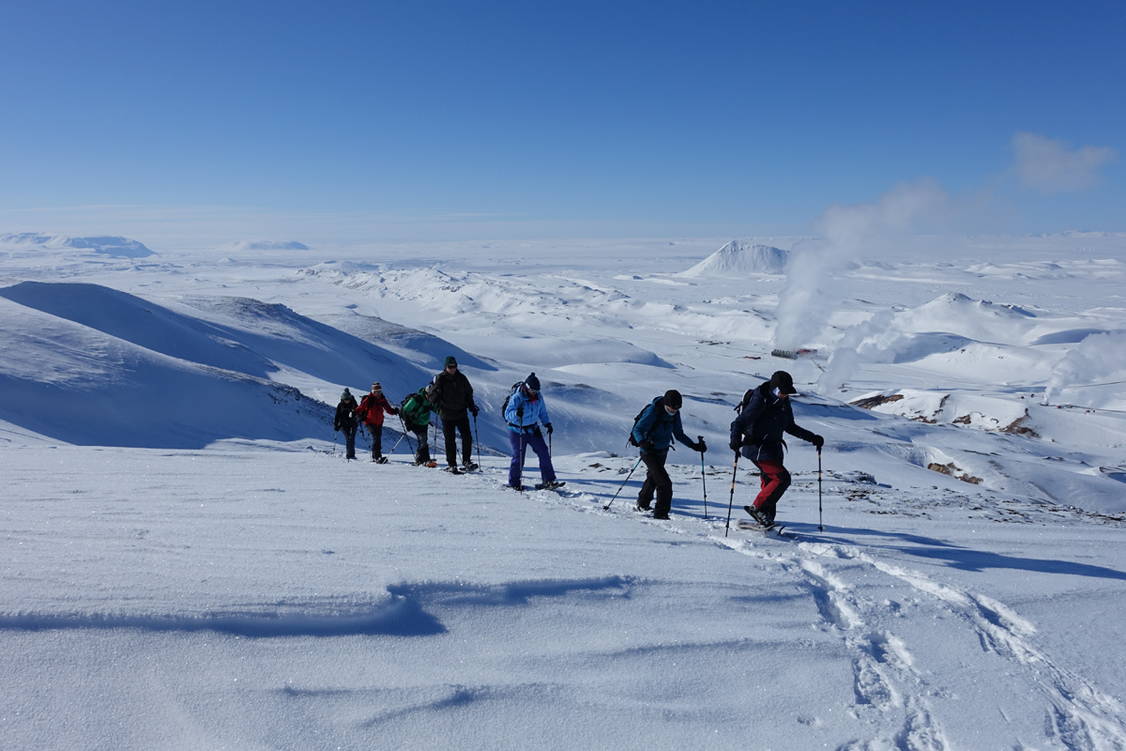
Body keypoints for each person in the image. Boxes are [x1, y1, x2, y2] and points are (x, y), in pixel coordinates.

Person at [729, 370, 824, 528]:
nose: (785, 395)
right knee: (781, 478)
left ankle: (766, 519)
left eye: (787, 392)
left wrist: (812, 437)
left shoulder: (783, 402)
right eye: (782, 392)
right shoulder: (760, 400)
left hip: (773, 448)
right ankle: (757, 509)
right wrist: (735, 440)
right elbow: (738, 423)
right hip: (757, 448)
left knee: (769, 483)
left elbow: (790, 426)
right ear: (774, 389)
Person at [631, 389, 706, 520]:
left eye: (676, 409)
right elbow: (638, 429)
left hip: (662, 450)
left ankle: (642, 503)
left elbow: (679, 434)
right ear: (666, 403)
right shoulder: (653, 411)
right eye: (671, 408)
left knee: (654, 478)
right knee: (665, 483)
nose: (673, 411)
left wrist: (694, 446)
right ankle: (661, 514)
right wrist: (642, 442)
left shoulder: (675, 414)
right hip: (649, 451)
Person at [503, 372, 561, 490]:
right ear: (527, 387)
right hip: (516, 429)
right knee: (519, 456)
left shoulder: (539, 397)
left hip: (533, 429)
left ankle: (548, 481)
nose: (535, 392)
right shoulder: (517, 397)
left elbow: (542, 412)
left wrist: (547, 423)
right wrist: (516, 414)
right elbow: (507, 414)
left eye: (537, 390)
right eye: (533, 390)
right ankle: (514, 483)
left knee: (544, 452)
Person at [429, 355, 479, 471]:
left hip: (461, 413)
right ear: (445, 367)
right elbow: (431, 397)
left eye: (454, 366)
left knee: (467, 437)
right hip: (446, 414)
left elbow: (468, 394)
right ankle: (452, 464)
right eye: (450, 367)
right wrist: (436, 395)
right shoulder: (440, 379)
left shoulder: (462, 378)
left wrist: (472, 407)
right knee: (450, 440)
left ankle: (467, 461)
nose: (452, 369)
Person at [356, 382, 398, 463]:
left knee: (377, 439)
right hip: (369, 422)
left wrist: (394, 411)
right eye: (377, 391)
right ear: (373, 391)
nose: (378, 393)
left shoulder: (382, 399)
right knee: (376, 438)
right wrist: (354, 412)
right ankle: (377, 457)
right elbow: (361, 408)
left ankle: (375, 456)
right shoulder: (369, 399)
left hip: (379, 422)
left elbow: (388, 409)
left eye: (380, 391)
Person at [400, 385, 436, 466]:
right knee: (422, 440)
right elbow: (405, 410)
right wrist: (408, 423)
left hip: (424, 423)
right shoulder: (416, 399)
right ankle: (424, 460)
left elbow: (435, 409)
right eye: (430, 395)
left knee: (423, 440)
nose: (431, 397)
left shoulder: (430, 400)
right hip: (414, 422)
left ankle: (422, 459)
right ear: (426, 393)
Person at [333, 388, 359, 460]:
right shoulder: (340, 405)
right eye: (345, 399)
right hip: (343, 425)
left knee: (351, 438)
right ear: (342, 399)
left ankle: (351, 455)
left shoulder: (354, 404)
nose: (347, 401)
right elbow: (337, 416)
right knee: (348, 438)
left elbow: (357, 412)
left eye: (348, 399)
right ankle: (350, 455)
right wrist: (336, 425)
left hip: (352, 424)